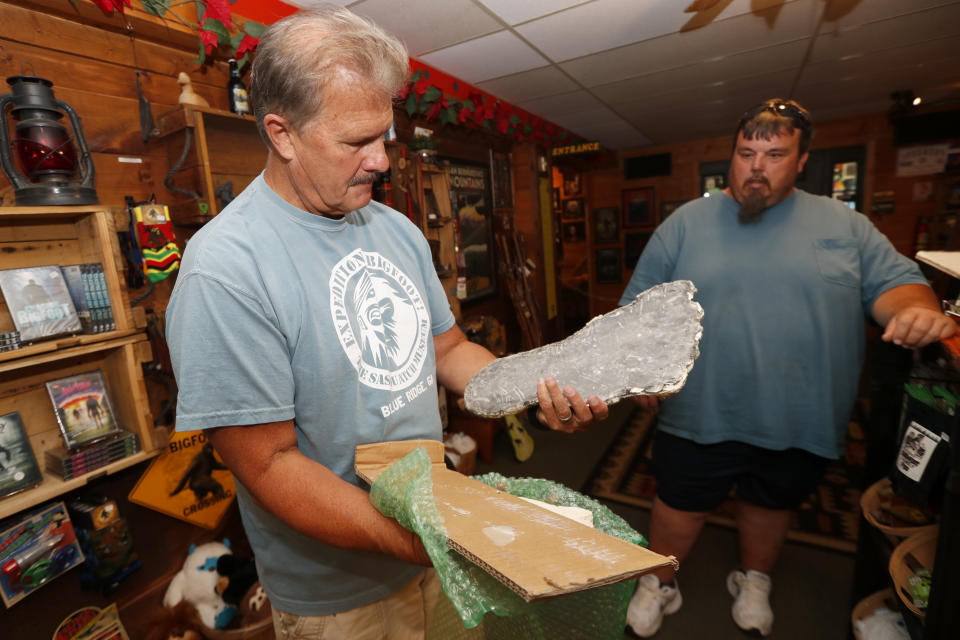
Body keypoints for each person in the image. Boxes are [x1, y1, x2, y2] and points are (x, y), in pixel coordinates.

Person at [164, 7, 608, 640]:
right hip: (341, 593)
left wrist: (535, 392)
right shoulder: (225, 271)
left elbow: (449, 350)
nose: (381, 161)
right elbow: (268, 467)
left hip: (434, 532)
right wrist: (420, 539)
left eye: (384, 137)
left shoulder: (394, 228)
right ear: (282, 134)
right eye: (355, 142)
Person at [620, 98, 956, 638]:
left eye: (774, 154)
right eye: (746, 152)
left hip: (801, 416)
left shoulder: (846, 225)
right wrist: (638, 373)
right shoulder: (685, 224)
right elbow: (636, 310)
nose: (757, 166)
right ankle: (658, 581)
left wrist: (916, 311)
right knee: (678, 505)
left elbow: (900, 287)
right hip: (700, 410)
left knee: (770, 506)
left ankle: (753, 578)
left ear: (801, 162)